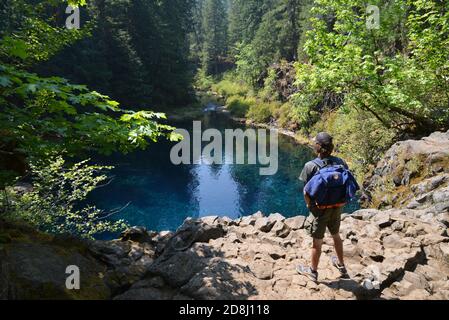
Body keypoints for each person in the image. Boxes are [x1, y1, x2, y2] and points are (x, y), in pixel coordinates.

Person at [296, 132, 352, 282]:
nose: (314, 144)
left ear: (318, 147)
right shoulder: (341, 162)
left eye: (315, 142)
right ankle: (341, 266)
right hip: (337, 206)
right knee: (336, 235)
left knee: (317, 242)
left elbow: (306, 190)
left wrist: (309, 204)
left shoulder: (310, 166)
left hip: (320, 210)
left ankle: (313, 272)